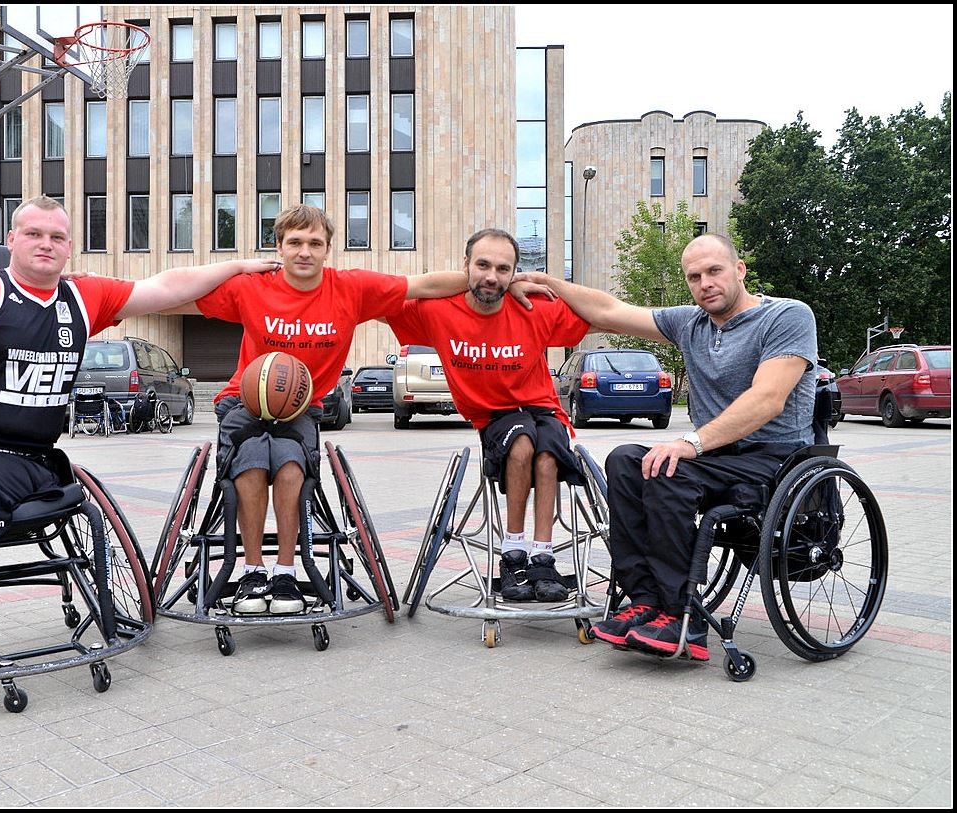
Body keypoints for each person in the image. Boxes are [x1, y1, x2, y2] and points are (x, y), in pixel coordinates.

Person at [163, 205, 544, 614]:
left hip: (300, 407)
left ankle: (287, 573)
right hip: (245, 400)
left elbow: (427, 284)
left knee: (291, 466)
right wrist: (237, 265)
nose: (304, 252)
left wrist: (507, 283)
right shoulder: (253, 287)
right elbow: (176, 295)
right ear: (278, 247)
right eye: (294, 243)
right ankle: (254, 572)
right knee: (253, 463)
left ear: (329, 249)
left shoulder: (351, 287)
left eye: (314, 243)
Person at [0, 195, 278, 533]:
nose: (46, 244)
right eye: (33, 234)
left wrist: (237, 266)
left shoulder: (82, 296)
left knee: (78, 500)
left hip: (42, 457)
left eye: (56, 237)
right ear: (11, 240)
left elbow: (164, 287)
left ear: (69, 246)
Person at [533, 233, 818, 660]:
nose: (705, 283)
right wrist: (545, 281)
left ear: (739, 270)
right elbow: (610, 312)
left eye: (714, 271)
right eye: (694, 276)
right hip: (714, 457)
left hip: (773, 457)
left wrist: (692, 442)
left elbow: (767, 399)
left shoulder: (787, 317)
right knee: (628, 461)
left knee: (670, 470)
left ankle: (681, 613)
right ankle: (645, 600)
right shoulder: (691, 322)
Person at [385, 228, 591, 603]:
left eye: (503, 268)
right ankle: (513, 554)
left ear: (515, 272)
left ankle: (543, 556)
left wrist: (543, 281)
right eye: (482, 265)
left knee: (548, 455)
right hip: (495, 415)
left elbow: (599, 314)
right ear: (465, 265)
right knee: (523, 444)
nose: (492, 276)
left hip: (543, 407)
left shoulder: (531, 306)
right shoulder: (439, 309)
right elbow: (381, 299)